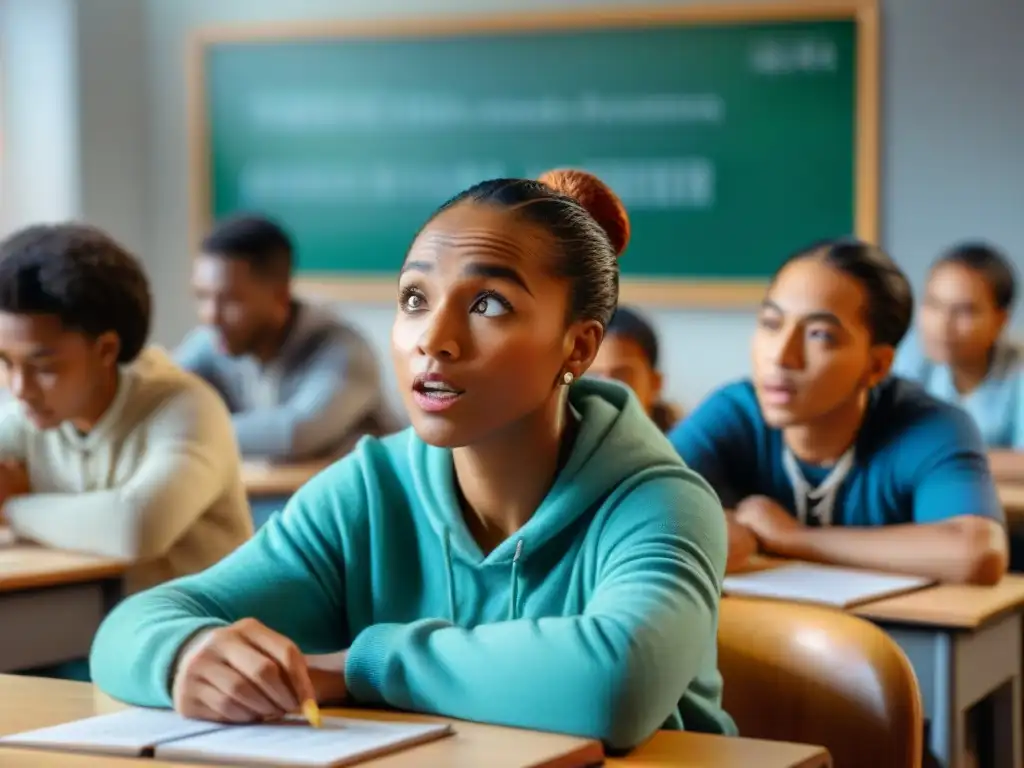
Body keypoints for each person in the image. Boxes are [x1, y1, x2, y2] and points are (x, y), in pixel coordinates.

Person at [90, 170, 735, 750]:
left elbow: (616, 684)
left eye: (488, 304)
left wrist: (355, 667)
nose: (433, 339)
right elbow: (132, 627)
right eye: (414, 299)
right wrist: (187, 654)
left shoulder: (660, 502)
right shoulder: (368, 490)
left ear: (579, 346)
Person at [669, 239, 1007, 584]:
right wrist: (726, 530)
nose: (782, 356)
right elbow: (632, 496)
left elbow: (976, 552)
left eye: (820, 335)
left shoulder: (930, 426)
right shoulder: (735, 411)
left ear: (877, 366)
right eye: (771, 323)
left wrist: (792, 537)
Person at [0, 224, 253, 678]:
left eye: (43, 367)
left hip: (199, 652)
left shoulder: (183, 406)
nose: (20, 388)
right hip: (87, 637)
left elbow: (137, 525)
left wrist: (15, 507)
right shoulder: (27, 414)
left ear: (106, 349)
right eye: (4, 363)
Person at [175, 215, 396, 462]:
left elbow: (297, 433)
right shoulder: (217, 339)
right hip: (274, 495)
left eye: (231, 301)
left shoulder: (345, 350)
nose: (211, 317)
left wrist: (188, 430)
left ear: (280, 298)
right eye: (202, 297)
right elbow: (162, 394)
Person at [892, 242, 1023, 481]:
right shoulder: (902, 356)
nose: (943, 324)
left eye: (965, 311)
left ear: (1000, 320)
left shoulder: (1018, 368)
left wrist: (936, 457)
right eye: (933, 304)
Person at [589, 305, 683, 432]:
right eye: (591, 378)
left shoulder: (680, 449)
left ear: (655, 384)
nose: (605, 392)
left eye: (621, 377)